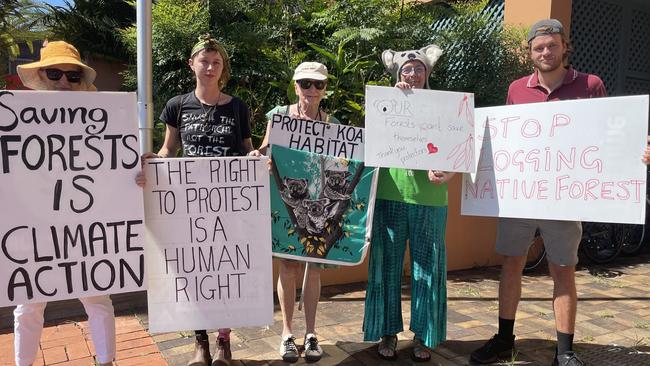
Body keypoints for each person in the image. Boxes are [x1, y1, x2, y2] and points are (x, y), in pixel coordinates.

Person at [470, 19, 606, 366]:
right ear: (530, 53)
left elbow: (609, 134)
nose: (546, 52)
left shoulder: (590, 85)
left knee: (563, 269)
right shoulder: (517, 89)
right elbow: (506, 141)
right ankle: (504, 340)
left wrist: (638, 151)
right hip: (520, 194)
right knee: (511, 263)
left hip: (564, 195)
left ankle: (564, 352)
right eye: (539, 47)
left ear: (564, 47)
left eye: (552, 45)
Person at [137, 34, 254, 366]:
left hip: (229, 205)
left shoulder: (237, 107)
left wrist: (259, 160)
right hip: (191, 206)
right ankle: (200, 342)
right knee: (197, 272)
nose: (210, 67)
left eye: (216, 62)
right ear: (192, 64)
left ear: (222, 68)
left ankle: (224, 342)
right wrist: (154, 162)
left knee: (226, 270)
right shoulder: (177, 105)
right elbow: (169, 149)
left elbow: (247, 151)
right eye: (204, 61)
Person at [14, 40, 116, 366]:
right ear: (41, 75)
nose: (63, 82)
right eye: (55, 73)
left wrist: (134, 177)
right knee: (29, 303)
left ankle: (106, 361)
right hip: (34, 226)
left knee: (98, 297)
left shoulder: (99, 123)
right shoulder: (17, 121)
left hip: (83, 226)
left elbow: (114, 165)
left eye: (72, 77)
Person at [362, 45, 453, 363]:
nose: (413, 74)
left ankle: (424, 336)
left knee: (427, 269)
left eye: (418, 69)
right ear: (397, 74)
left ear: (428, 72)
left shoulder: (444, 107)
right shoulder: (386, 103)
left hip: (430, 199)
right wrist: (391, 101)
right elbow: (370, 140)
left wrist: (447, 171)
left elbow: (456, 147)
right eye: (406, 70)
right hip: (390, 195)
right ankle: (387, 331)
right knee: (387, 268)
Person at [250, 61, 338, 363]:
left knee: (313, 268)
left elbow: (341, 164)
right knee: (288, 268)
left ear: (325, 89)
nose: (311, 90)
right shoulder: (278, 116)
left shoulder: (332, 122)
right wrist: (258, 157)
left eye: (318, 84)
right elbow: (265, 150)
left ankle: (311, 333)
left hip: (319, 205)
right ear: (295, 85)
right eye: (305, 83)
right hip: (286, 203)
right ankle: (287, 334)